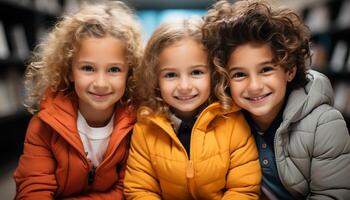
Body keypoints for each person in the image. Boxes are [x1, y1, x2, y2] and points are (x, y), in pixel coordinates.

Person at [202, 0, 350, 199]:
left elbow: (332, 195)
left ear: (289, 70)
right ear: (226, 80)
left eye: (266, 69)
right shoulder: (228, 122)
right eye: (239, 74)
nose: (254, 86)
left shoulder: (325, 125)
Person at [13, 1, 142, 199]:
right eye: (88, 68)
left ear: (129, 73)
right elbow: (33, 188)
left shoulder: (137, 125)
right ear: (69, 70)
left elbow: (127, 189)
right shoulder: (45, 125)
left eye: (114, 70)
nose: (100, 83)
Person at [123, 18, 261, 200]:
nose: (184, 86)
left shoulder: (233, 121)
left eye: (196, 72)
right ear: (155, 79)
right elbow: (140, 189)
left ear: (214, 73)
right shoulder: (146, 127)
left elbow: (244, 189)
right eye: (171, 75)